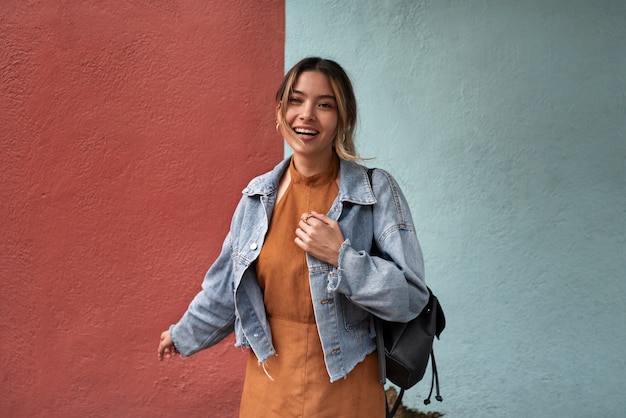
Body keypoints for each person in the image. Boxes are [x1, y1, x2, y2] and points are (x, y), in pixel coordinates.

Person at [157, 57, 429, 417]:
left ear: (344, 118)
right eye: (297, 101)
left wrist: (342, 257)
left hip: (346, 390)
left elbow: (410, 298)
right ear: (281, 110)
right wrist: (183, 334)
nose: (307, 115)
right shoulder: (257, 198)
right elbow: (225, 288)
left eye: (325, 104)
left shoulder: (375, 192)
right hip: (270, 389)